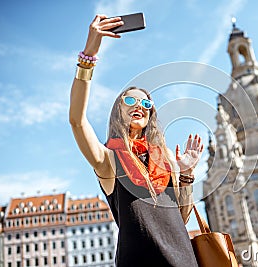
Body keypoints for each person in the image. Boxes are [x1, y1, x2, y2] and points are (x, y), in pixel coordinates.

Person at [69, 15, 204, 266]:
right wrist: (88, 57)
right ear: (117, 111)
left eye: (146, 103)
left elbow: (179, 220)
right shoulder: (109, 160)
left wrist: (185, 173)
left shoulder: (164, 162)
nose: (139, 106)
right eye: (129, 101)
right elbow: (77, 120)